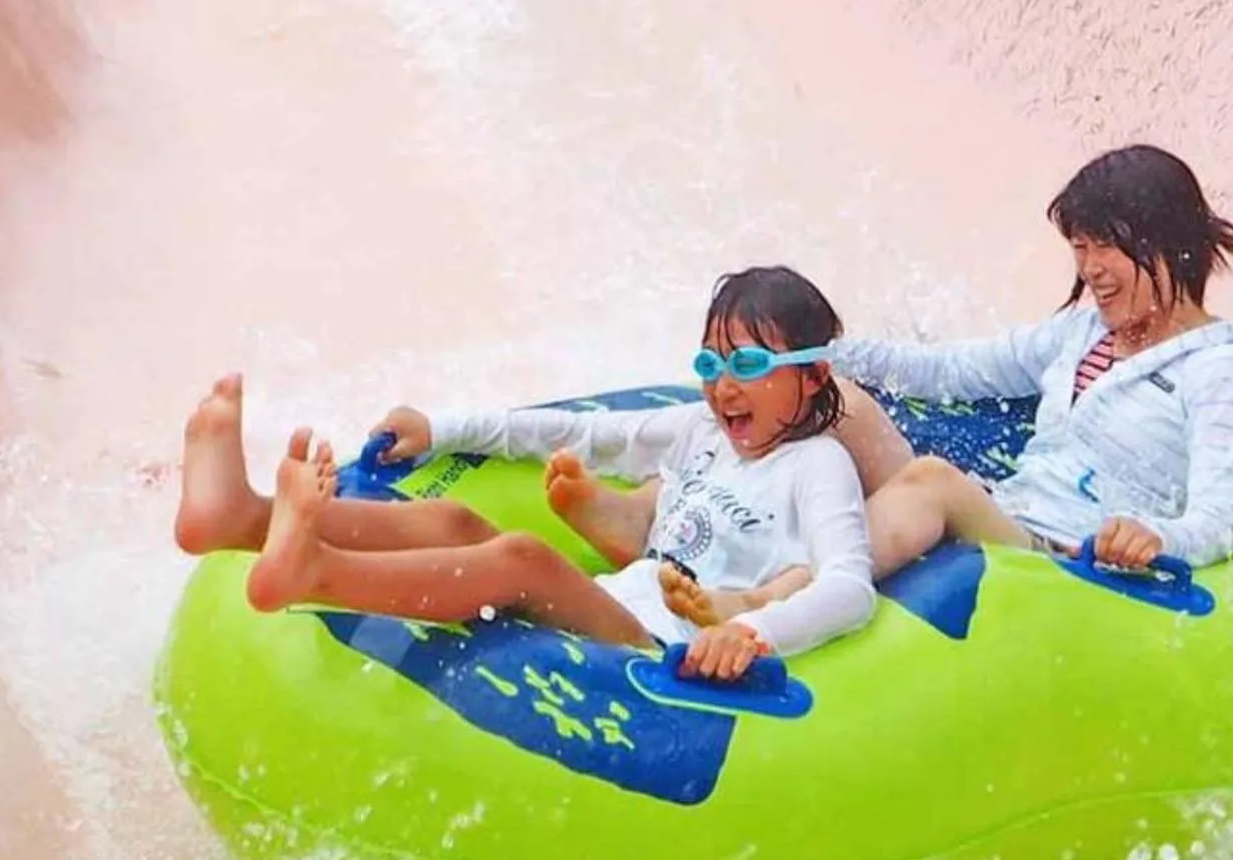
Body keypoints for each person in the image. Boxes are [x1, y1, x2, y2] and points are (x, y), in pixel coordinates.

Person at [552, 145, 1233, 627]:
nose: (1089, 270)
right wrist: (818, 353)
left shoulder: (1217, 366)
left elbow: (1216, 519)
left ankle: (760, 597)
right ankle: (656, 513)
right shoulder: (1079, 334)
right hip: (1005, 517)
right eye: (1079, 249)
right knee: (834, 406)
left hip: (1071, 561)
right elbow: (955, 370)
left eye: (1103, 246)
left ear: (1166, 240)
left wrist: (1151, 537)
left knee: (930, 480)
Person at [173, 266, 876, 682]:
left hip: (663, 651)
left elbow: (849, 586)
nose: (723, 385)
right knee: (453, 522)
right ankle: (240, 517)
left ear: (813, 375)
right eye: (710, 364)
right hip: (616, 603)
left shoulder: (815, 466)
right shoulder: (698, 432)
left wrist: (752, 636)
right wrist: (441, 427)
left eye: (748, 366)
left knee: (523, 558)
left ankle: (313, 570)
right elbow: (575, 434)